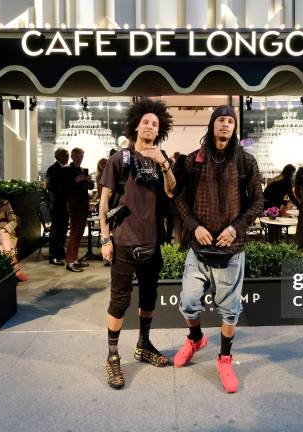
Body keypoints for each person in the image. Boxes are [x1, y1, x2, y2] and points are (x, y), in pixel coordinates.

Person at [173, 105, 263, 394]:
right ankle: (195, 337)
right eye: (220, 121)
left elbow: (258, 202)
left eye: (230, 121)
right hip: (198, 248)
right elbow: (179, 199)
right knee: (188, 302)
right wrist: (193, 226)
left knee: (229, 311)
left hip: (231, 248)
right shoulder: (192, 161)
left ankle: (224, 358)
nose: (225, 125)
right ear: (212, 126)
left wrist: (235, 227)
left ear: (234, 127)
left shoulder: (246, 162)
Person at [98, 98, 176, 390]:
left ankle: (144, 344)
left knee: (148, 299)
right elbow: (104, 201)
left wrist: (164, 164)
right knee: (119, 301)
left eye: (155, 123)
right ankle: (112, 356)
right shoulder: (120, 159)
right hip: (123, 242)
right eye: (146, 121)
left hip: (151, 242)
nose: (150, 126)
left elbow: (171, 191)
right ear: (135, 125)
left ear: (160, 130)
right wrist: (106, 239)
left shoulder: (161, 158)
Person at [64, 147, 94, 272]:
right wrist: (76, 180)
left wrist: (88, 181)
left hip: (83, 204)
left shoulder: (83, 170)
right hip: (74, 205)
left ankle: (75, 259)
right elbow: (64, 188)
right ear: (72, 157)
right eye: (77, 157)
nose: (79, 159)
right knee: (74, 233)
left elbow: (91, 186)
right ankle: (70, 261)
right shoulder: (67, 171)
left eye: (81, 157)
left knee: (80, 233)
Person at [45, 148, 70, 265]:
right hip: (56, 205)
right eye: (67, 155)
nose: (68, 157)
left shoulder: (63, 168)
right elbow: (51, 187)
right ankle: (53, 255)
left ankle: (60, 253)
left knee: (63, 230)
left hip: (63, 205)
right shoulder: (53, 169)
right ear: (59, 156)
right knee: (55, 231)